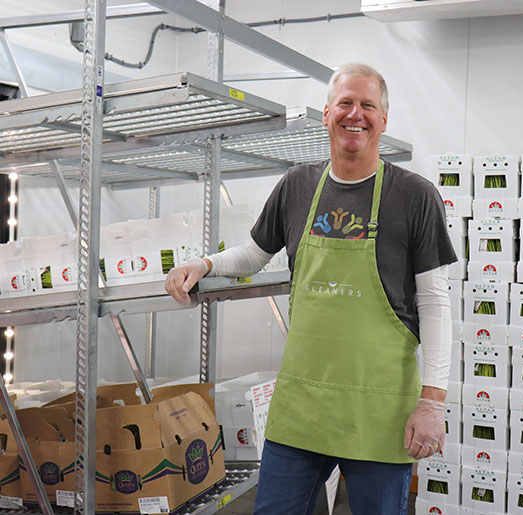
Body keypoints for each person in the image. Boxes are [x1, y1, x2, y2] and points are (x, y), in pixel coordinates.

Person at [165, 62, 456, 514]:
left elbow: (436, 302)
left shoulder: (414, 196)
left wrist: (432, 402)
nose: (355, 114)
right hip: (302, 406)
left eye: (367, 105)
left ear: (383, 119)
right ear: (326, 114)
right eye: (345, 103)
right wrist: (203, 263)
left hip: (378, 410)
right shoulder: (298, 185)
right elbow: (254, 254)